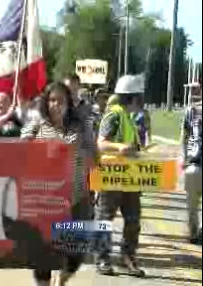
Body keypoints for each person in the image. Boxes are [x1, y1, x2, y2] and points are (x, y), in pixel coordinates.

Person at [20, 82, 97, 286]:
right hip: (45, 198)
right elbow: (21, 146)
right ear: (46, 102)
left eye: (61, 100)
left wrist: (75, 152)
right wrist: (44, 148)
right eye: (52, 100)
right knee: (43, 252)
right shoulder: (37, 123)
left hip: (77, 196)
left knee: (77, 252)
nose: (56, 105)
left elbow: (94, 157)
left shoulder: (81, 125)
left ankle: (62, 278)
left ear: (68, 103)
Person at [94, 74, 145, 277]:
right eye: (140, 97)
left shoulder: (128, 117)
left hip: (130, 178)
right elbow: (101, 143)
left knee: (133, 220)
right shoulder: (114, 115)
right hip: (110, 176)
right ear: (132, 97)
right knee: (105, 218)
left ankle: (128, 257)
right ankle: (102, 259)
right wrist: (120, 147)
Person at [181, 83, 202, 245]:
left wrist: (184, 158)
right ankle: (197, 231)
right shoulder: (191, 110)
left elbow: (184, 137)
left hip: (194, 164)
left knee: (192, 205)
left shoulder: (190, 111)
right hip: (194, 163)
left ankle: (194, 233)